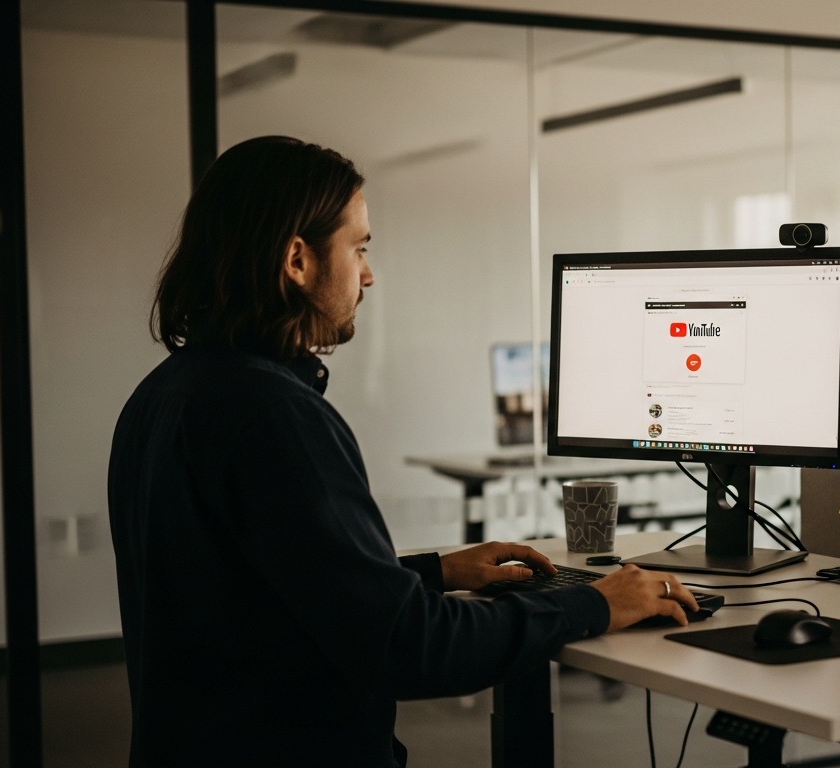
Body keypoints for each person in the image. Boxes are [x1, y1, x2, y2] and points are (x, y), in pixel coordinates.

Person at [107, 136, 697, 767]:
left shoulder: (167, 392)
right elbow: (407, 648)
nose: (367, 272)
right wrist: (593, 603)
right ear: (297, 260)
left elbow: (254, 594)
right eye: (358, 247)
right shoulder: (277, 417)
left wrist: (432, 573)